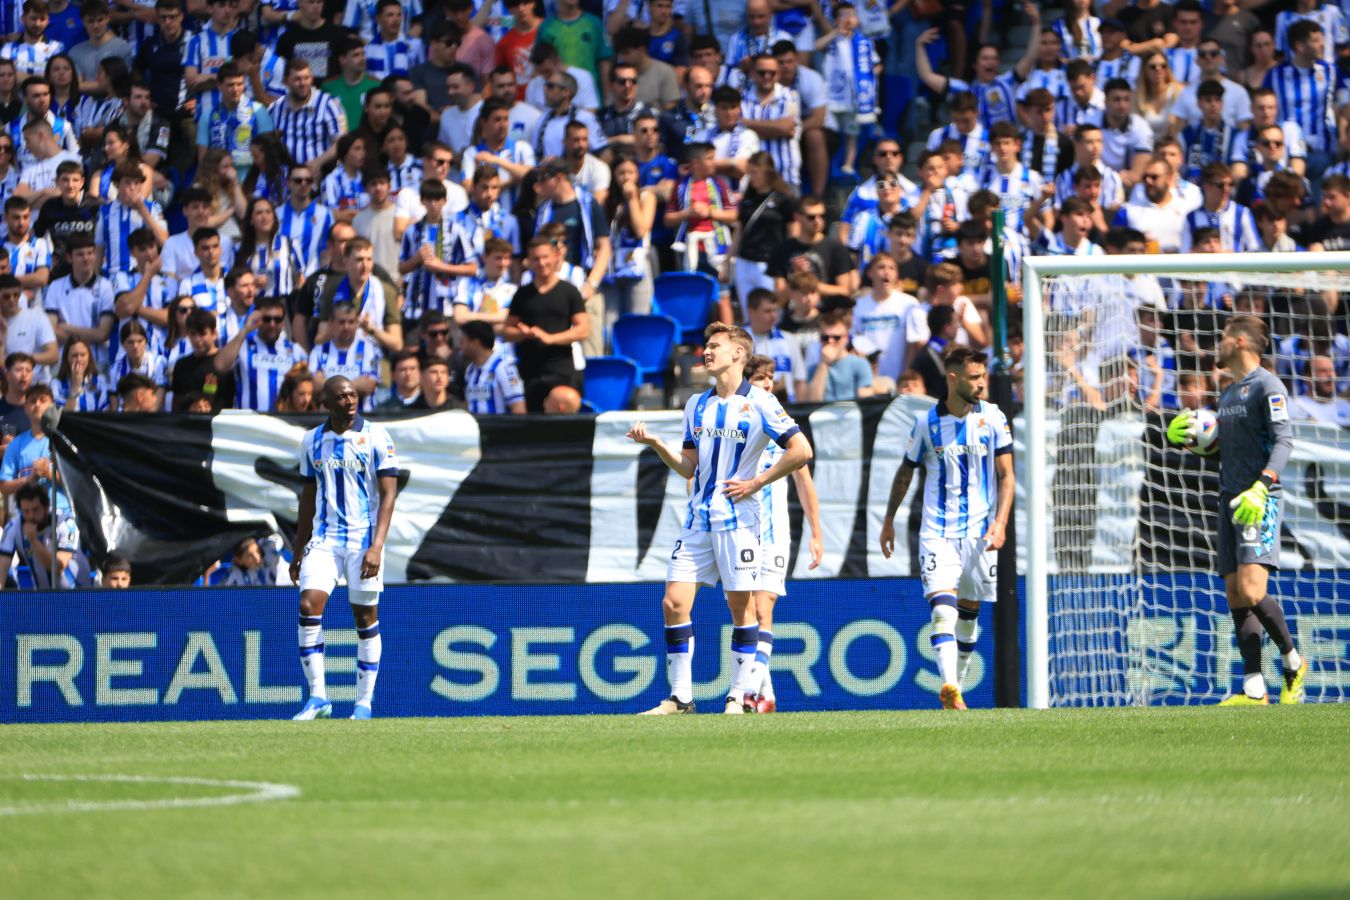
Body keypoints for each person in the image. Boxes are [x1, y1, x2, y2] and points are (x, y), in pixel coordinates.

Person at [627, 322, 811, 715]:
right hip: (698, 517)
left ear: (738, 354)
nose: (706, 353)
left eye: (714, 347)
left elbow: (801, 450)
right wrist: (657, 444)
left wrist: (756, 481)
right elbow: (687, 465)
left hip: (739, 520)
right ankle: (680, 698)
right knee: (673, 603)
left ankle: (739, 697)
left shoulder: (761, 401)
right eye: (706, 347)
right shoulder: (696, 404)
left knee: (740, 609)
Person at [1165, 317, 1308, 706]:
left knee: (1251, 589)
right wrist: (1193, 444)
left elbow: (1284, 441)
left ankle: (1293, 663)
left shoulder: (1267, 386)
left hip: (1259, 499)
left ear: (1240, 341)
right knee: (1234, 594)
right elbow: (1225, 451)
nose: (1218, 345)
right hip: (1229, 500)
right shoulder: (1228, 394)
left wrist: (1262, 488)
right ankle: (1254, 690)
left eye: (1224, 338)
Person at [880, 346, 1013, 710]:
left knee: (970, 614)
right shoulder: (927, 424)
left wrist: (1000, 524)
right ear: (953, 378)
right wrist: (889, 520)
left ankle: (959, 687)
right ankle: (950, 684)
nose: (982, 384)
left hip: (981, 532)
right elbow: (906, 472)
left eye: (984, 376)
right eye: (975, 377)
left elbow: (1007, 475)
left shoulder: (994, 418)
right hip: (937, 530)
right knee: (943, 609)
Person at [289, 376, 399, 721]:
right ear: (327, 402)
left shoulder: (376, 436)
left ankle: (363, 703)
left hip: (362, 541)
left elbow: (389, 495)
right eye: (342, 396)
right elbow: (307, 499)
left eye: (353, 394)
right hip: (324, 540)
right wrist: (297, 549)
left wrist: (377, 546)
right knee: (308, 605)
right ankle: (318, 697)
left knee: (364, 618)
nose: (351, 400)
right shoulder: (312, 441)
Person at [739, 353, 822, 712]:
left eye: (771, 378)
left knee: (763, 609)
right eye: (760, 378)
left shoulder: (784, 433)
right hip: (739, 534)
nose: (769, 384)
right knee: (745, 615)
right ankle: (767, 696)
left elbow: (804, 483)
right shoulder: (734, 430)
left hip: (774, 535)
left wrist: (816, 533)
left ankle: (747, 691)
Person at [504, 234, 588, 411]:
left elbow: (583, 330)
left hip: (561, 372)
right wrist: (523, 334)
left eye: (545, 257)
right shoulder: (522, 294)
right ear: (529, 261)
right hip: (530, 373)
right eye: (536, 259)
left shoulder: (569, 291)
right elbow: (507, 331)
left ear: (555, 257)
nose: (541, 263)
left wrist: (551, 338)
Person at [214, 295, 307, 411]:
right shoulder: (242, 344)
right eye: (266, 319)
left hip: (283, 424)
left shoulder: (295, 351)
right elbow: (220, 365)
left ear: (283, 323)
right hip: (249, 423)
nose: (272, 324)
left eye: (277, 320)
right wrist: (245, 329)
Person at [0, 481, 89, 588]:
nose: (31, 516)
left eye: (35, 509)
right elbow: (2, 568)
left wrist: (33, 540)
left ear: (47, 507)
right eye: (26, 511)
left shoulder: (66, 523)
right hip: (43, 597)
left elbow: (58, 567)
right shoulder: (13, 527)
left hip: (77, 595)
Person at [308, 300, 381, 412]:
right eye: (341, 322)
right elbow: (315, 385)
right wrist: (356, 386)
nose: (346, 327)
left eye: (351, 322)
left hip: (363, 420)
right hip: (327, 421)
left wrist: (328, 389)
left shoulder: (369, 349)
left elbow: (368, 385)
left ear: (357, 323)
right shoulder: (318, 352)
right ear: (331, 323)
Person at [460, 319, 524, 414]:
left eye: (462, 342)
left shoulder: (503, 369)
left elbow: (519, 408)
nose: (460, 347)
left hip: (497, 428)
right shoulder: (470, 370)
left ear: (475, 343)